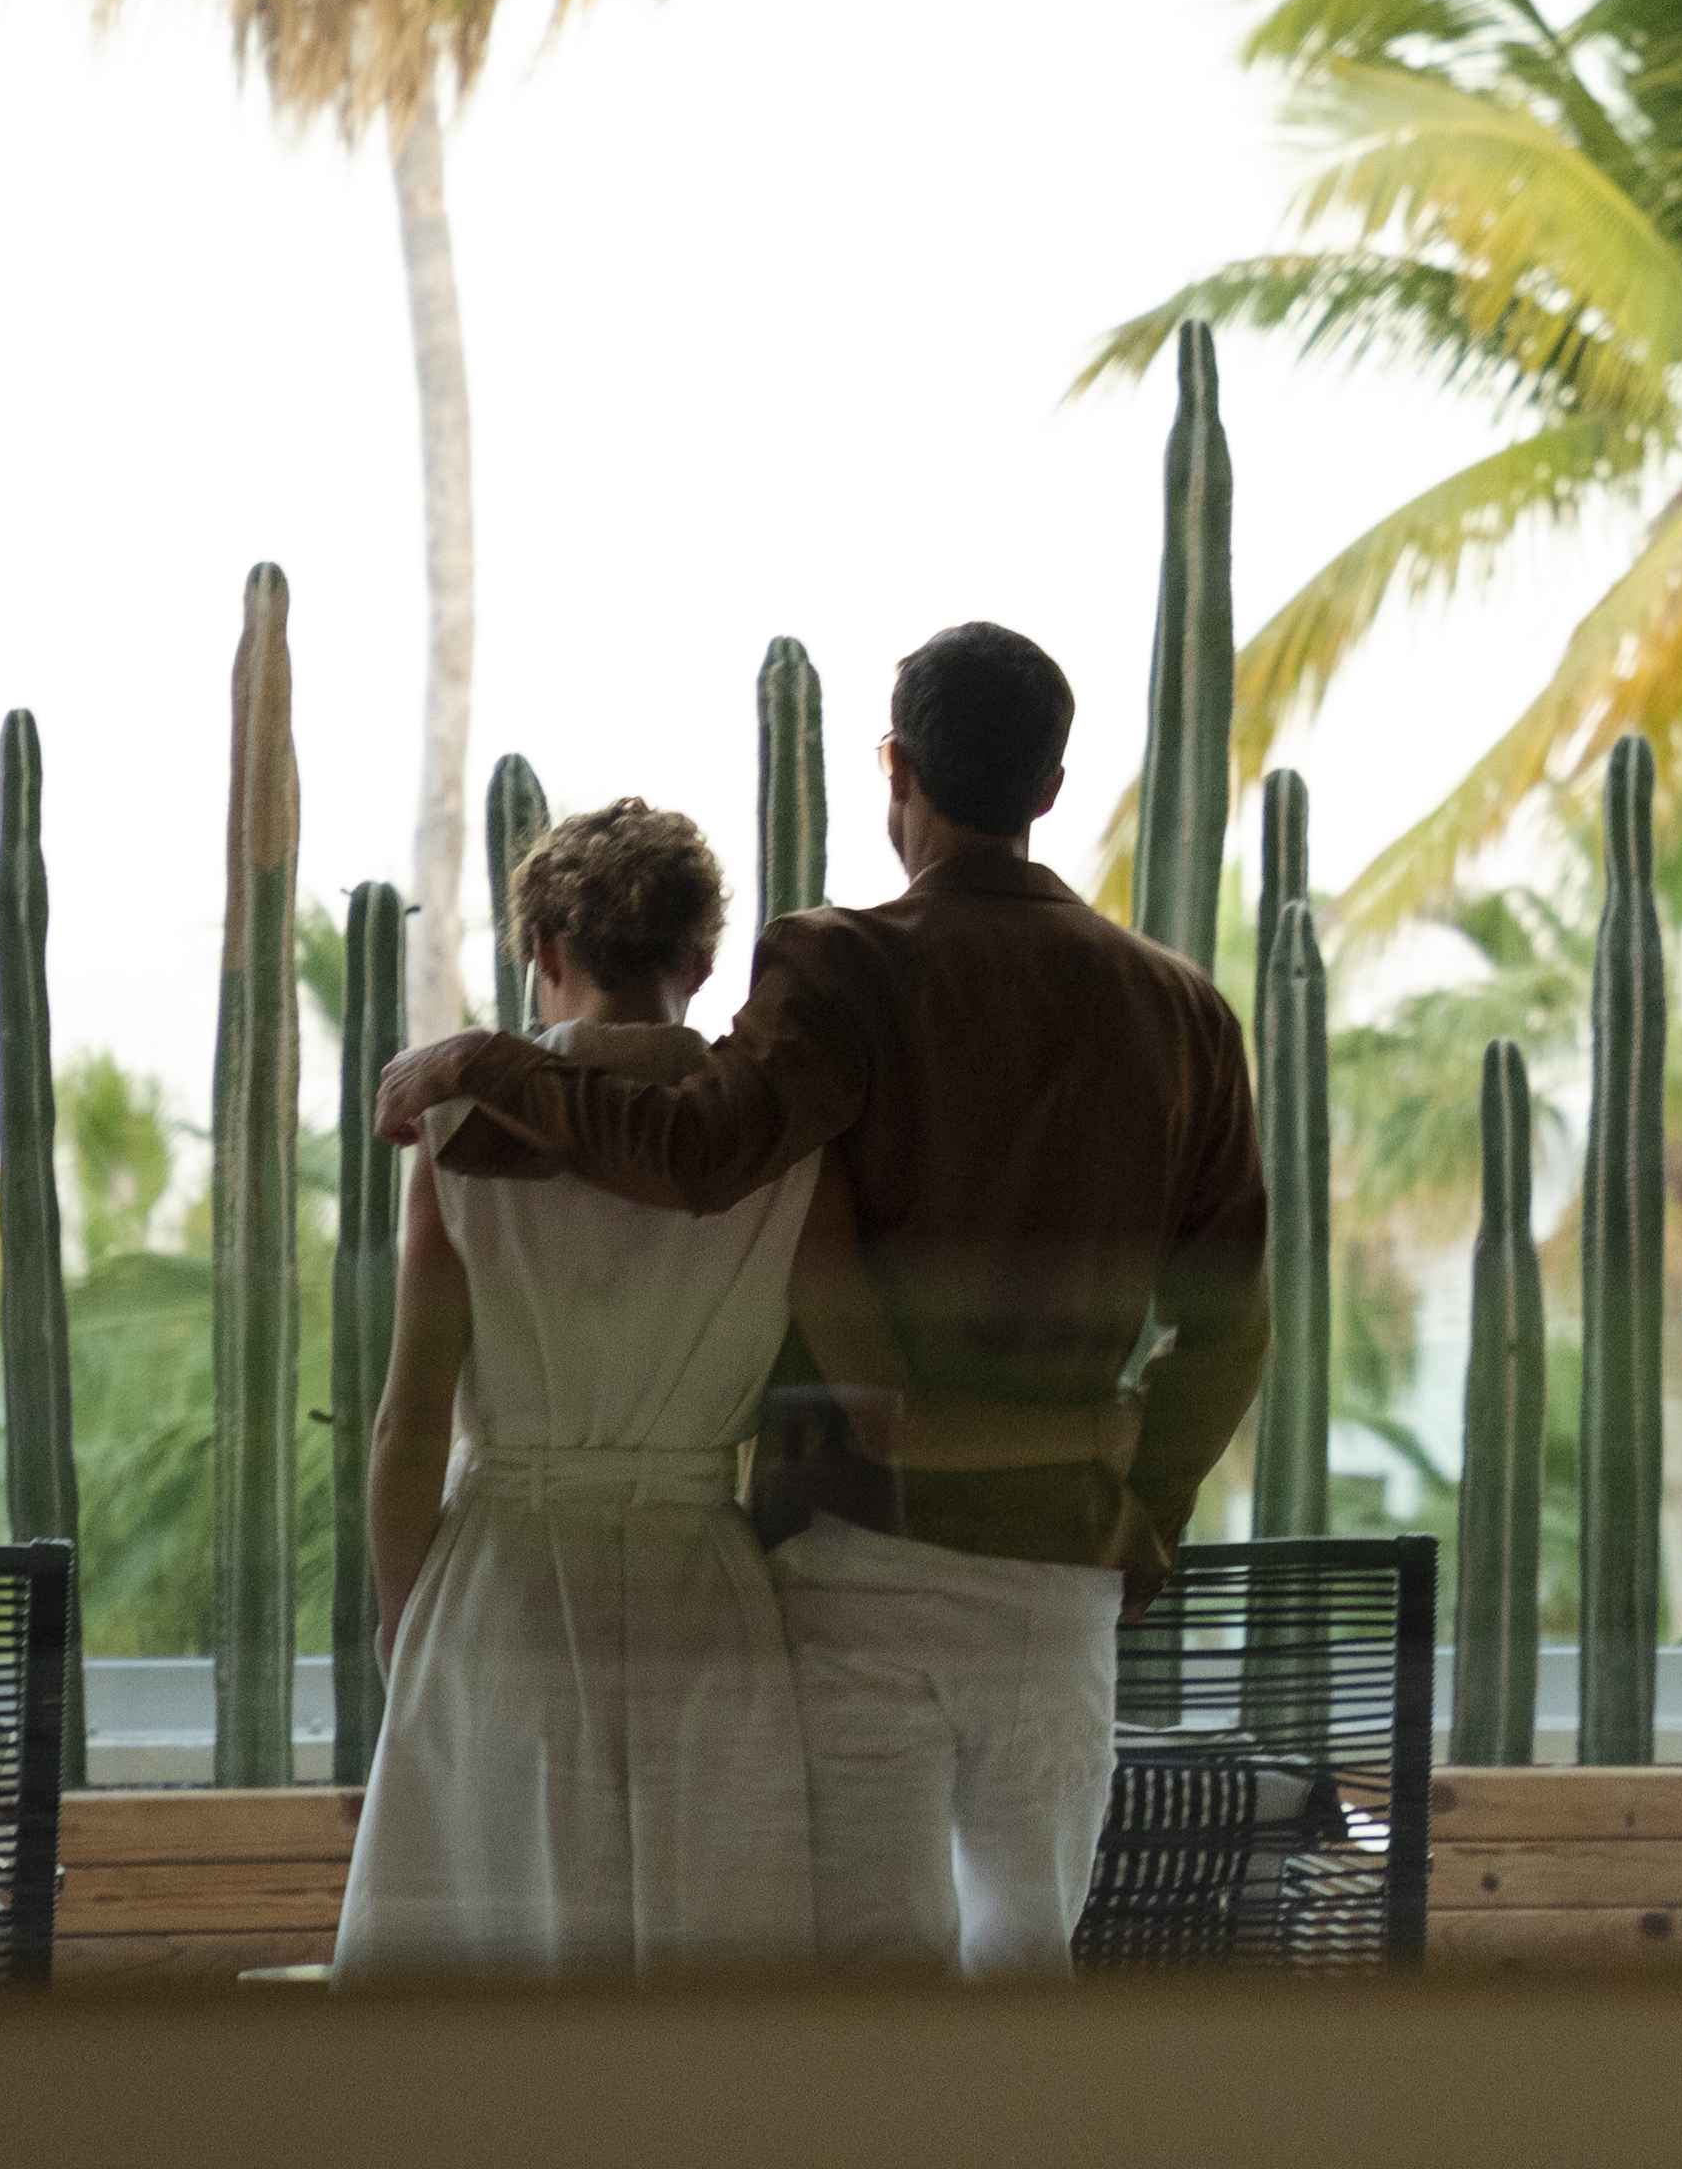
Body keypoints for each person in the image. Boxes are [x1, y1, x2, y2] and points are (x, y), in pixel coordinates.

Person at [376, 619, 1268, 1976]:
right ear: (1049, 787)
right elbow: (1232, 1322)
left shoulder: (841, 968)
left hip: (854, 1567)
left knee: (861, 2014)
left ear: (892, 767)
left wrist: (485, 1067)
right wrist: (1143, 1507)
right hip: (1058, 1580)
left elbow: (694, 1154)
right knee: (1027, 1975)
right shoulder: (1187, 1014)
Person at [333, 798, 817, 1976]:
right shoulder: (781, 1128)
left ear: (544, 952)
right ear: (702, 960)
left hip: (504, 1583)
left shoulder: (458, 1116)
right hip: (703, 1591)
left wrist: (407, 1616)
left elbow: (408, 1421)